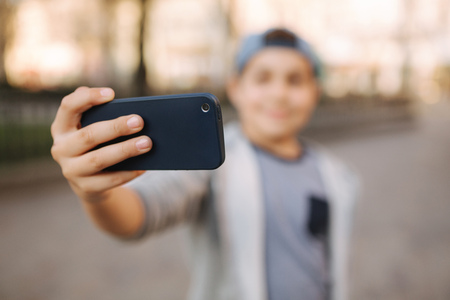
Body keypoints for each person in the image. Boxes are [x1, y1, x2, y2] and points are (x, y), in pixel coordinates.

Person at [51, 28, 359, 300]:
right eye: (263, 78)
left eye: (295, 80)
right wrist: (97, 195)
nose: (279, 94)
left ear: (314, 93)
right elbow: (139, 214)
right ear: (235, 87)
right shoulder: (210, 165)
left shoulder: (336, 175)